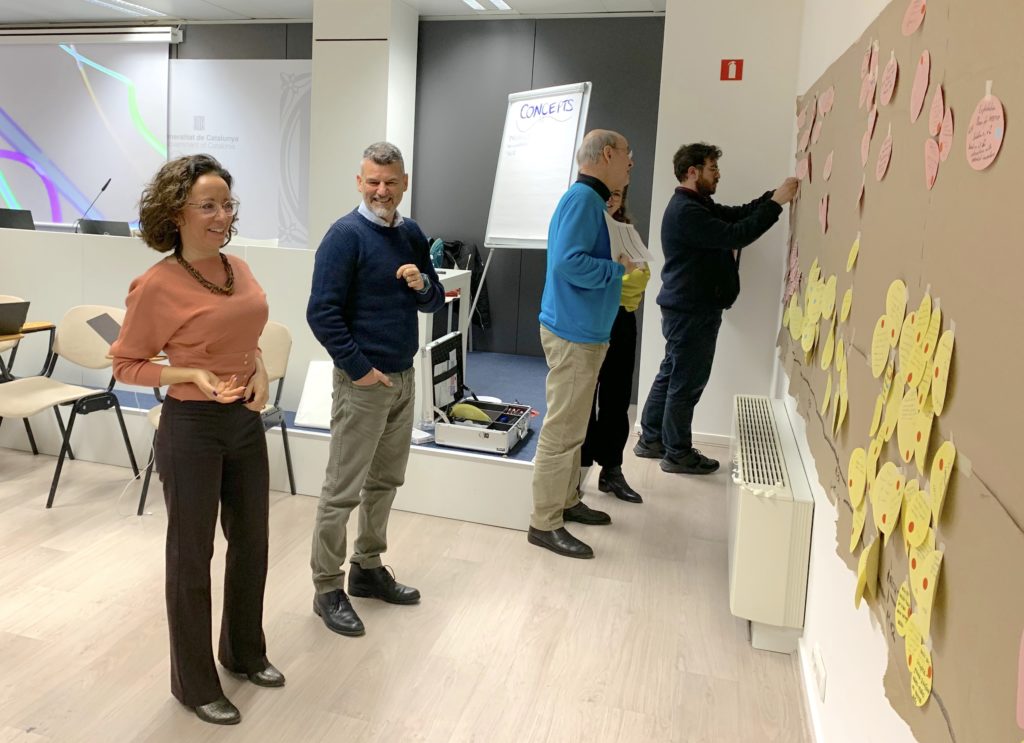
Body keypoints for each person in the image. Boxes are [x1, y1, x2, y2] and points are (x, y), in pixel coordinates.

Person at [111, 154, 283, 726]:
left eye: (227, 204)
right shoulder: (156, 285)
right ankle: (194, 683)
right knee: (192, 556)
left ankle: (244, 653)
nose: (221, 215)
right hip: (191, 428)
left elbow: (247, 334)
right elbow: (126, 365)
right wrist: (188, 374)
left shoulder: (240, 269)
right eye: (207, 205)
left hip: (242, 421)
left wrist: (257, 369)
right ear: (176, 212)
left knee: (252, 540)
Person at [307, 142, 444, 637]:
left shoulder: (410, 233)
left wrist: (420, 286)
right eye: (372, 182)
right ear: (359, 182)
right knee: (342, 490)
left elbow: (432, 300)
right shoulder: (344, 236)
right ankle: (327, 587)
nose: (381, 190)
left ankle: (367, 567)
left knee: (385, 482)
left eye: (390, 181)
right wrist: (359, 369)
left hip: (404, 376)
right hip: (364, 383)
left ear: (404, 182)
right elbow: (321, 313)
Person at [637, 142, 798, 474]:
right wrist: (777, 204)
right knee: (687, 381)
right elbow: (736, 234)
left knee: (673, 373)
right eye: (713, 169)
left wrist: (772, 197)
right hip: (692, 311)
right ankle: (676, 453)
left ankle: (651, 439)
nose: (718, 175)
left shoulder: (697, 204)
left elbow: (736, 214)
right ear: (693, 172)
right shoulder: (688, 211)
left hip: (685, 309)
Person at [528, 129, 634, 560]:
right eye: (627, 156)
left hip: (583, 330)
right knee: (563, 431)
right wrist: (615, 269)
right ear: (607, 154)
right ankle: (544, 522)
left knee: (574, 431)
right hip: (572, 333)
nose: (629, 164)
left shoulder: (589, 200)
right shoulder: (583, 200)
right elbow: (569, 263)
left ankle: (567, 501)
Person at [580, 185, 650, 504]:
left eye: (620, 194)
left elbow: (641, 279)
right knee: (582, 397)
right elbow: (582, 277)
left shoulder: (627, 233)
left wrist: (614, 277)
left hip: (621, 320)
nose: (613, 200)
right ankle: (578, 471)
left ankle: (612, 470)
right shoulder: (584, 229)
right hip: (591, 319)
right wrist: (620, 273)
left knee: (617, 395)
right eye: (608, 194)